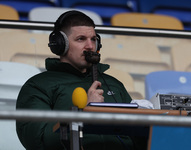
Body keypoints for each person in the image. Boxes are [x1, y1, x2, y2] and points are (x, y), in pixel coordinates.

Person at [16, 10, 145, 150]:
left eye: (94, 39)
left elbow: (141, 141)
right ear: (60, 44)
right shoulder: (38, 85)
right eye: (81, 39)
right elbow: (37, 140)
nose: (90, 46)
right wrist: (85, 113)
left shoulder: (114, 84)